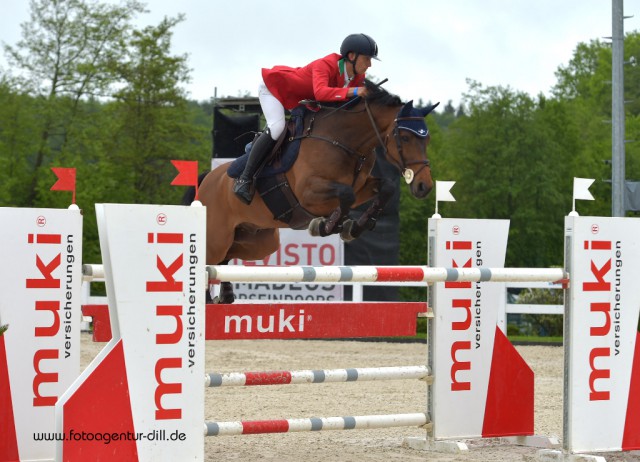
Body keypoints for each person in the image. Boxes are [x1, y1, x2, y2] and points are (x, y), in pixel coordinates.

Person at [233, 33, 380, 204]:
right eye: (367, 59)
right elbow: (321, 92)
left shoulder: (357, 77)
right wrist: (355, 92)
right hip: (274, 88)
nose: (369, 65)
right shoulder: (325, 64)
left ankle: (258, 146)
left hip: (302, 101)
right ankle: (245, 178)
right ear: (352, 56)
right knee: (277, 127)